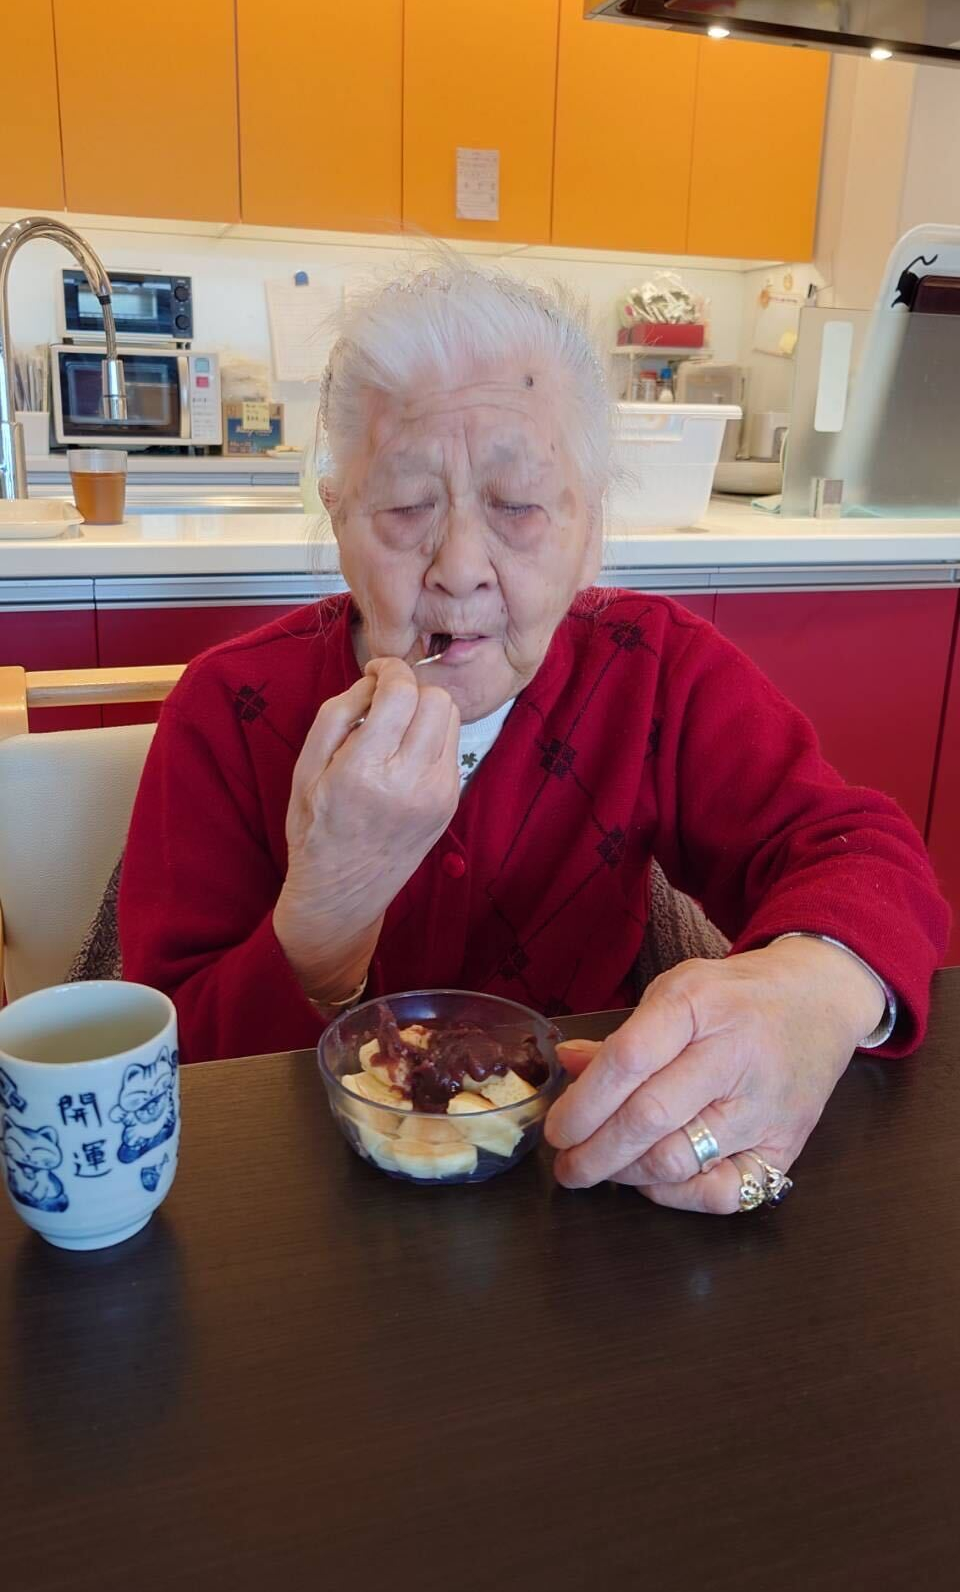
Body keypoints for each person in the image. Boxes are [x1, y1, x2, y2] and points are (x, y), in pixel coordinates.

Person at [120, 265, 949, 1216]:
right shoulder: (229, 709)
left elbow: (863, 854)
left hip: (594, 1194)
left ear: (590, 531)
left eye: (517, 505)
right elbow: (157, 1070)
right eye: (405, 507)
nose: (461, 568)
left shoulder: (653, 669)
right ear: (339, 519)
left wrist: (812, 989)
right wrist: (321, 929)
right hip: (301, 1213)